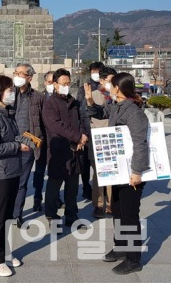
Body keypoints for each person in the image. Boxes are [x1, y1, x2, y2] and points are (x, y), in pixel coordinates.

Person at [85, 72, 150, 275]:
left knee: (130, 215)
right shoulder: (117, 107)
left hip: (132, 172)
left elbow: (140, 143)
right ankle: (121, 246)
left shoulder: (134, 112)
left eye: (111, 85)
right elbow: (100, 112)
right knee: (119, 211)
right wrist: (89, 100)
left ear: (118, 89)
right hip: (119, 171)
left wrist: (137, 171)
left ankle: (133, 259)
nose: (108, 88)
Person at [0, 75, 31, 277]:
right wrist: (18, 146)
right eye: (9, 90)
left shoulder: (7, 114)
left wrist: (23, 140)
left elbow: (11, 137)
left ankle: (6, 252)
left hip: (12, 170)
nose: (13, 93)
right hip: (0, 173)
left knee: (8, 216)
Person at [42, 68, 89, 229]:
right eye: (63, 84)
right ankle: (51, 214)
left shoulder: (74, 102)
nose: (66, 86)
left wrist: (83, 135)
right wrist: (77, 137)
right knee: (54, 186)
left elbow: (81, 121)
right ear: (55, 84)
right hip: (58, 151)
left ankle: (72, 215)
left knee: (72, 187)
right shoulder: (50, 104)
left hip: (75, 151)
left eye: (68, 83)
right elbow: (56, 126)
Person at [10, 63, 45, 227]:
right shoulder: (7, 93)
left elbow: (43, 123)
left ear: (29, 78)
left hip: (27, 146)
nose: (17, 76)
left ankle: (17, 213)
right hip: (8, 145)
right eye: (15, 72)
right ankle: (6, 210)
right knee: (6, 181)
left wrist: (35, 143)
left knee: (21, 182)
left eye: (21, 74)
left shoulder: (38, 97)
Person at [87, 66, 116, 219]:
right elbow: (89, 117)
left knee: (112, 173)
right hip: (98, 139)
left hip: (114, 140)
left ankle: (111, 204)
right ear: (102, 80)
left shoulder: (118, 96)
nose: (112, 84)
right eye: (110, 81)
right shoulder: (93, 95)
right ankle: (98, 204)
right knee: (99, 175)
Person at [76, 61, 105, 200]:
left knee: (100, 164)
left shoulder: (105, 88)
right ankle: (87, 188)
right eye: (93, 70)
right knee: (85, 164)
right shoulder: (84, 88)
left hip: (102, 130)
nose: (96, 73)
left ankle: (101, 190)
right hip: (87, 129)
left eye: (98, 71)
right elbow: (80, 110)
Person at [31, 70, 54, 212]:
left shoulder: (63, 98)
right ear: (45, 82)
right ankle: (37, 198)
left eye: (54, 82)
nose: (51, 85)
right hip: (42, 140)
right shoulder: (39, 98)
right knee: (39, 171)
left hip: (56, 141)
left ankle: (55, 197)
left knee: (55, 171)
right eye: (49, 82)